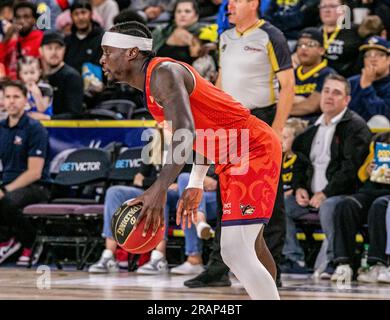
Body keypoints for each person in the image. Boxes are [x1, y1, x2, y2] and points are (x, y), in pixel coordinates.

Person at [100, 21, 282, 299]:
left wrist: (158, 190)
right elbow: (201, 133)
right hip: (229, 156)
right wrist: (195, 181)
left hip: (251, 148)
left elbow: (185, 132)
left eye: (107, 51)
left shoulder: (165, 72)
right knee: (252, 247)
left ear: (131, 52)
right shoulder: (152, 87)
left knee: (234, 251)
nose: (102, 59)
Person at [199, 0, 295, 289]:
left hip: (261, 119)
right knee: (227, 193)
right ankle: (218, 266)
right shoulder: (224, 37)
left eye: (236, 1)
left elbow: (288, 85)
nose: (229, 6)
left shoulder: (271, 35)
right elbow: (220, 81)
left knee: (270, 199)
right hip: (229, 122)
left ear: (253, 3)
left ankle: (271, 272)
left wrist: (276, 130)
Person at [281, 74, 371, 277]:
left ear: (346, 100)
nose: (329, 96)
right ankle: (293, 257)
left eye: (336, 93)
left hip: (344, 195)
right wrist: (299, 188)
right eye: (326, 91)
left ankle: (334, 261)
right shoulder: (311, 130)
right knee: (281, 205)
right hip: (311, 196)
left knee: (330, 207)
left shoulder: (356, 127)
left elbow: (351, 169)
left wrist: (326, 193)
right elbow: (300, 166)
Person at [89, 128, 179, 274]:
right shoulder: (153, 141)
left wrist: (155, 185)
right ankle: (109, 256)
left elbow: (183, 179)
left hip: (177, 194)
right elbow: (138, 179)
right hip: (151, 190)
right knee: (114, 192)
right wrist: (157, 184)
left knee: (161, 194)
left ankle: (159, 258)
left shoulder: (186, 140)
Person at [0, 80, 51, 266]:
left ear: (25, 101)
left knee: (8, 200)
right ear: (2, 101)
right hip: (7, 184)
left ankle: (30, 242)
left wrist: (4, 190)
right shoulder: (1, 127)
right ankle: (7, 241)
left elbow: (35, 172)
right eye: (7, 97)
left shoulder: (34, 128)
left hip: (36, 187)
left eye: (16, 97)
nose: (11, 101)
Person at [331, 132, 390, 283]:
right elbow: (360, 174)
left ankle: (378, 264)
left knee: (380, 206)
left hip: (386, 197)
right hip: (371, 190)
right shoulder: (379, 139)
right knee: (346, 205)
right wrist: (368, 170)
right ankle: (344, 263)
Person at [291, 28, 335, 121]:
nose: (304, 48)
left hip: (311, 124)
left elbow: (311, 106)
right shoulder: (290, 74)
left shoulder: (328, 74)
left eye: (310, 44)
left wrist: (283, 110)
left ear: (322, 50)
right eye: (300, 45)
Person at [40, 31, 84, 117]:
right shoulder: (35, 75)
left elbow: (75, 114)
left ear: (64, 50)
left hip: (62, 129)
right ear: (41, 51)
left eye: (58, 48)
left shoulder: (72, 77)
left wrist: (47, 118)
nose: (54, 52)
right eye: (49, 48)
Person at [348, 36, 390, 123]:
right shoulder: (351, 82)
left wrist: (367, 87)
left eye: (379, 54)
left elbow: (383, 116)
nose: (372, 59)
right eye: (368, 55)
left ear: (388, 59)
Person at [0, 1, 43, 79]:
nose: (21, 21)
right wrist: (6, 38)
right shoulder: (11, 42)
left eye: (26, 17)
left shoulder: (41, 40)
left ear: (34, 20)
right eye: (18, 17)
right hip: (9, 87)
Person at [318, 0, 362, 77]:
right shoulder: (314, 33)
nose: (327, 10)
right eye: (323, 6)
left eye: (332, 6)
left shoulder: (355, 31)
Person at [152, 0, 202, 65]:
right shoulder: (161, 31)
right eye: (179, 11)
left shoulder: (203, 34)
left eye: (187, 11)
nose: (182, 14)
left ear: (196, 16)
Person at [65, 0, 105, 75]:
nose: (80, 17)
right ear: (71, 17)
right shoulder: (67, 41)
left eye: (83, 12)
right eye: (76, 14)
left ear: (91, 14)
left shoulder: (101, 39)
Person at [17, 56, 53, 120]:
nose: (29, 76)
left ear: (39, 72)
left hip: (45, 123)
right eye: (25, 73)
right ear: (20, 74)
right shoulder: (19, 89)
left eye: (32, 72)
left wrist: (36, 93)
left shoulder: (45, 88)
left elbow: (42, 109)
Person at [281, 118, 308, 198]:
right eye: (280, 136)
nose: (281, 141)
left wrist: (293, 191)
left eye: (285, 137)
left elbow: (301, 182)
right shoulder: (280, 158)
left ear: (297, 139)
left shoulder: (301, 159)